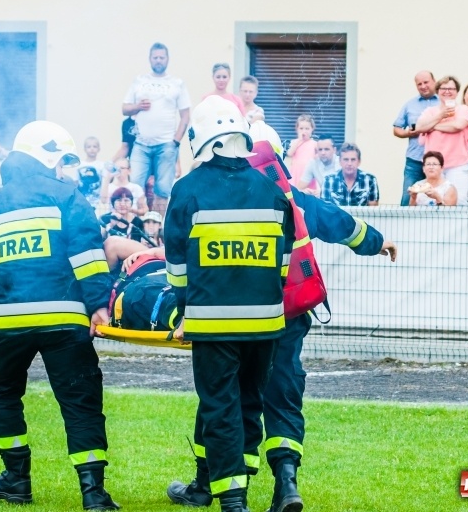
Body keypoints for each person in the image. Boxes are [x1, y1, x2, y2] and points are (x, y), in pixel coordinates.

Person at [165, 122, 398, 512]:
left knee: (222, 398)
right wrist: (377, 242)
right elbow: (337, 221)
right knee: (281, 396)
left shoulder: (226, 192)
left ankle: (209, 485)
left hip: (233, 315)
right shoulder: (285, 195)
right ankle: (286, 483)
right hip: (284, 318)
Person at [0, 120, 119, 510]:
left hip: (5, 322)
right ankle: (94, 493)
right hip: (63, 317)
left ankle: (15, 480)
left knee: (2, 395)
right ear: (46, 157)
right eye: (58, 161)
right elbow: (88, 256)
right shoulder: (66, 194)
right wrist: (99, 305)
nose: (61, 170)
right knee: (80, 401)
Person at [163, 96, 295, 512]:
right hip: (265, 326)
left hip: (212, 325)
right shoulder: (271, 191)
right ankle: (235, 487)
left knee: (219, 409)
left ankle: (232, 501)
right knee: (249, 406)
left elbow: (176, 263)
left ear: (199, 139)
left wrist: (184, 307)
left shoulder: (187, 191)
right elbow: (284, 265)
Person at [123, 42, 191, 216]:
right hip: (140, 144)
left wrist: (175, 141)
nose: (159, 60)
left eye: (162, 57)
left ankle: (157, 230)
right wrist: (138, 106)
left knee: (163, 189)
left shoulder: (177, 83)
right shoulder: (139, 81)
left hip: (166, 145)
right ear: (150, 59)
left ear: (167, 59)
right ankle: (135, 228)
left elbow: (185, 115)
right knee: (135, 187)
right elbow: (124, 109)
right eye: (155, 57)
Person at [416, 75, 468, 205]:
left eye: (451, 88)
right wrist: (440, 116)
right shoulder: (430, 111)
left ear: (457, 92)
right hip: (434, 165)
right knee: (432, 200)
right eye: (443, 88)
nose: (447, 91)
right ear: (438, 91)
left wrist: (432, 126)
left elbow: (457, 126)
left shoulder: (463, 109)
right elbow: (419, 127)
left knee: (459, 201)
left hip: (457, 164)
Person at [393, 70, 440, 206]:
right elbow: (396, 129)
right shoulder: (409, 105)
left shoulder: (442, 103)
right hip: (414, 160)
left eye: (426, 82)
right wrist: (410, 133)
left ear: (434, 81)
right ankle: (403, 226)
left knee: (438, 197)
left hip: (438, 161)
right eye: (419, 84)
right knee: (408, 198)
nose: (423, 86)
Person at [321, 143, 378, 207]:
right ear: (340, 161)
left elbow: (373, 213)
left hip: (360, 217)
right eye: (346, 159)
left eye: (353, 160)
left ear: (359, 161)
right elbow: (325, 211)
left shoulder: (370, 180)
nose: (349, 163)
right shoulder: (328, 181)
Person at [286, 114, 317, 187]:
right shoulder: (294, 142)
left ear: (312, 129)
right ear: (297, 129)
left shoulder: (314, 144)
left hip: (308, 173)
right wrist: (299, 140)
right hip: (296, 172)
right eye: (301, 128)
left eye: (307, 128)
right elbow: (289, 153)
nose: (304, 131)